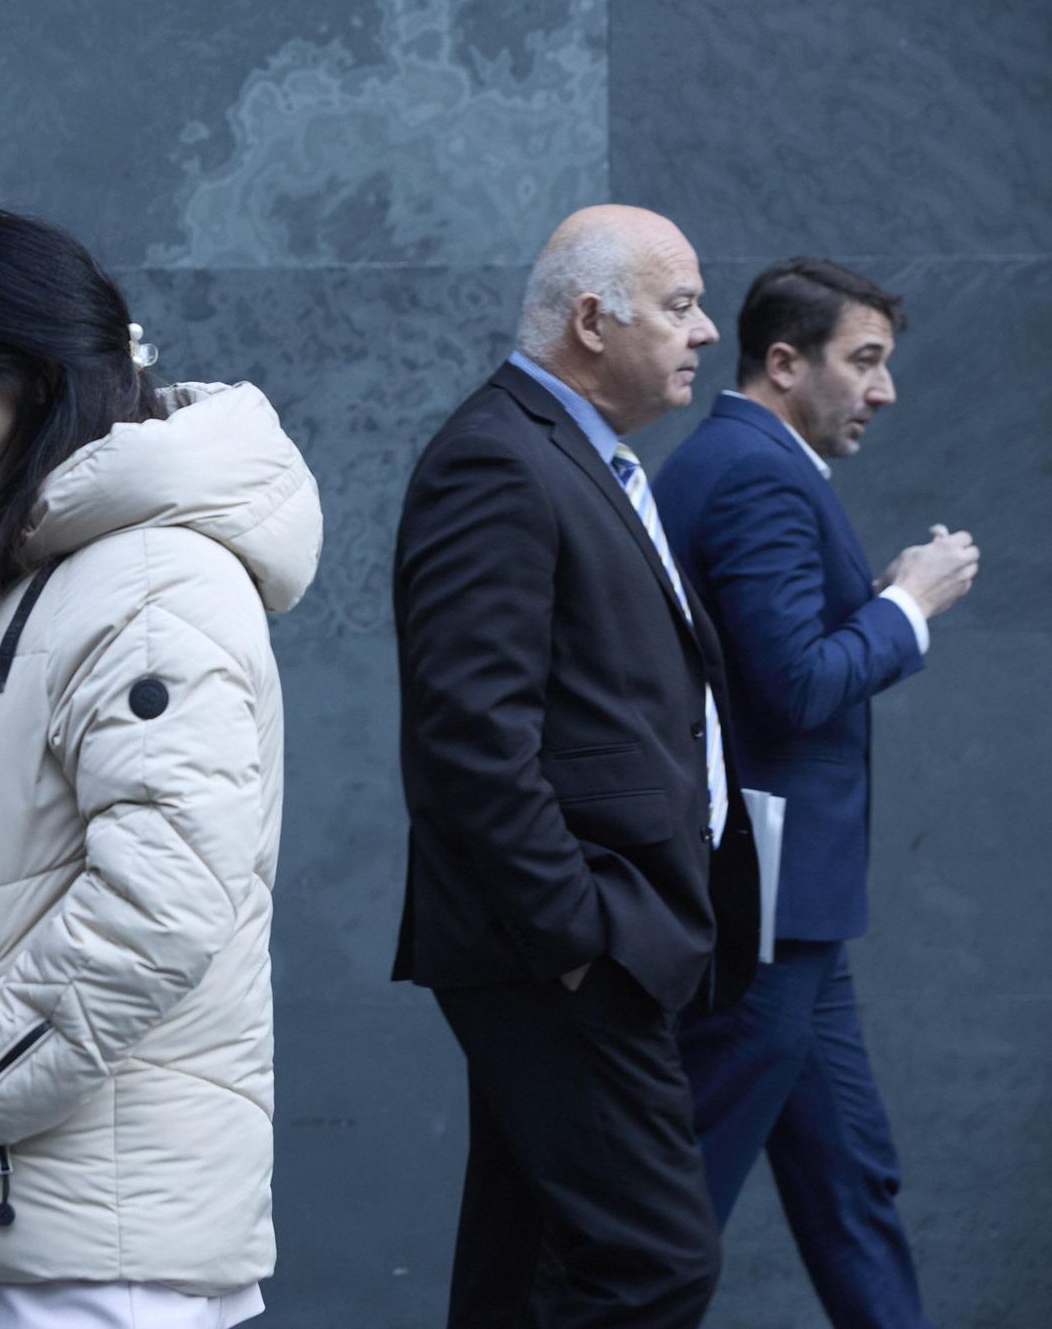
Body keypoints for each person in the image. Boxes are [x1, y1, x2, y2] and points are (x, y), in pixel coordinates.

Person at [0, 209, 322, 1328]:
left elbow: (162, 900)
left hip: (89, 1254)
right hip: (28, 1219)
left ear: (29, 377)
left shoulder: (151, 582)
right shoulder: (60, 569)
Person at [390, 204, 760, 1327]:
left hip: (590, 940)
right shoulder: (496, 461)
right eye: (681, 306)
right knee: (655, 1265)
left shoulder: (571, 456)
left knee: (525, 1275)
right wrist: (573, 939)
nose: (704, 333)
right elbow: (467, 732)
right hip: (560, 947)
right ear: (592, 320)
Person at [654, 260, 979, 1327]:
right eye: (865, 361)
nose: (883, 391)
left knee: (851, 1185)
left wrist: (880, 604)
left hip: (791, 915)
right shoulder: (754, 474)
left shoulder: (741, 464)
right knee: (670, 1215)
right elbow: (793, 685)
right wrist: (904, 606)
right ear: (782, 363)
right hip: (762, 911)